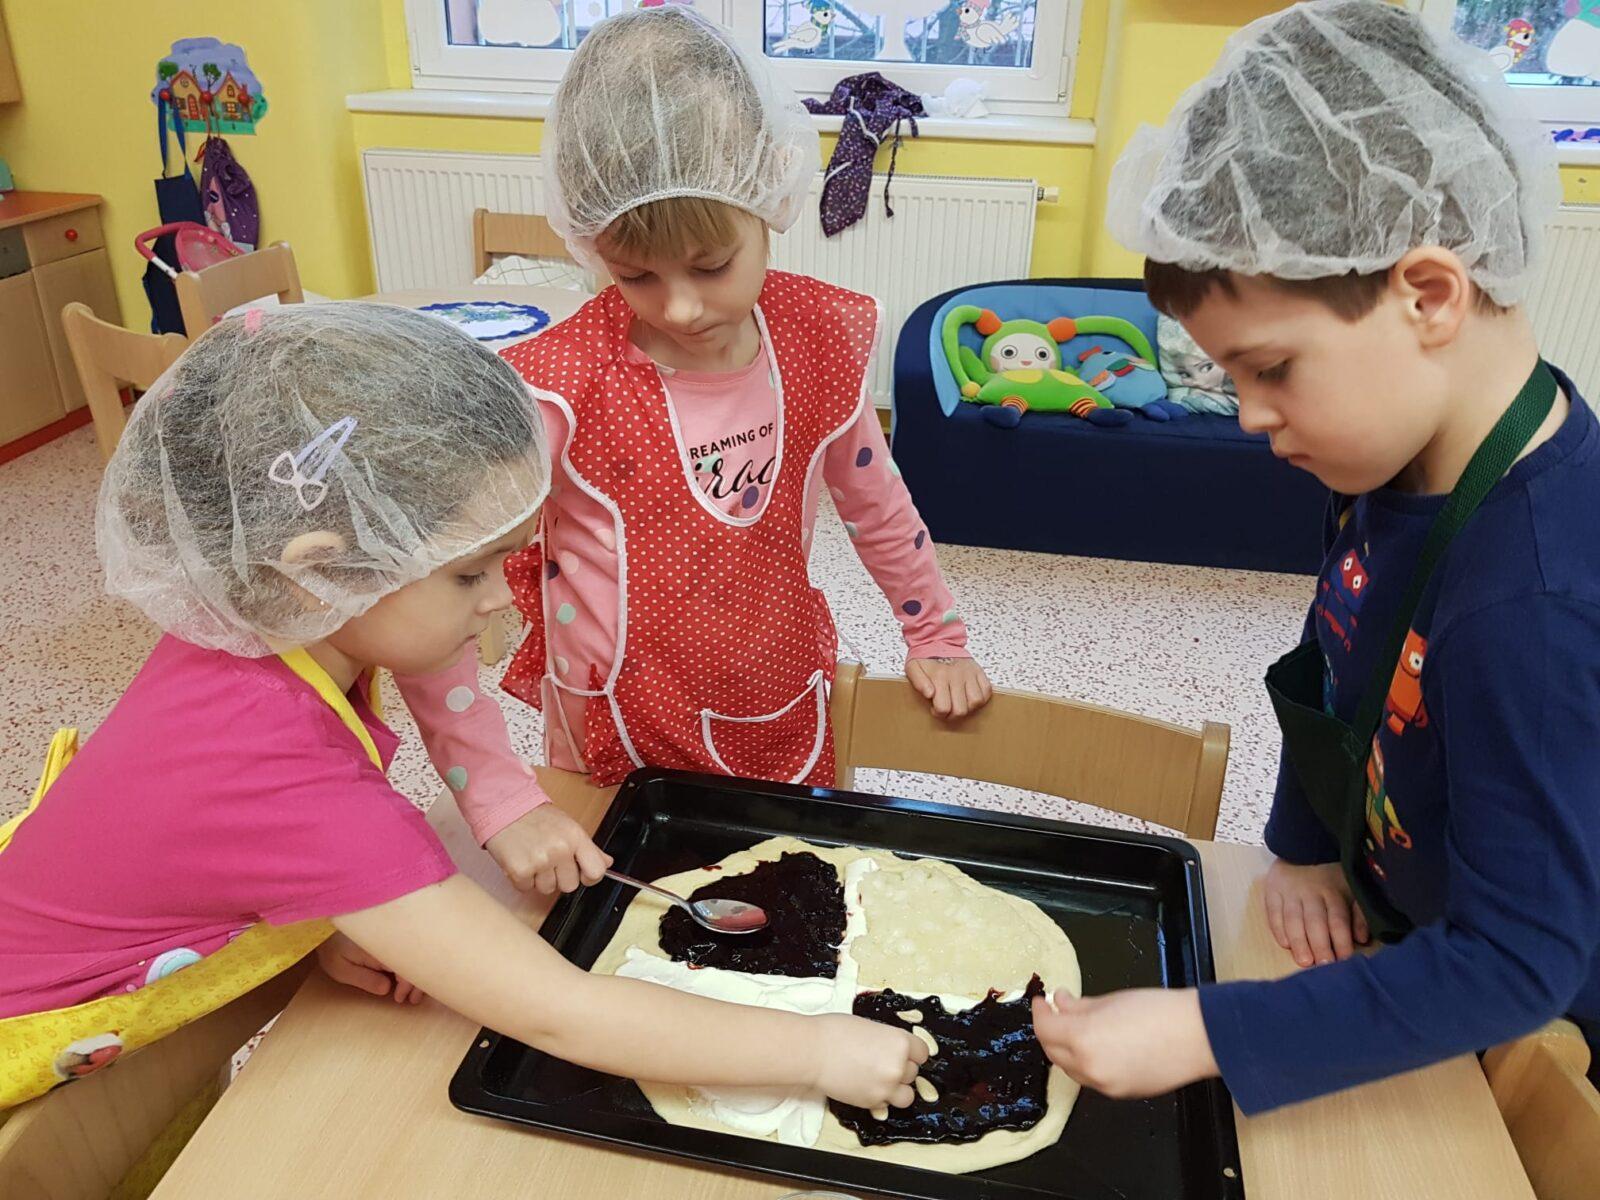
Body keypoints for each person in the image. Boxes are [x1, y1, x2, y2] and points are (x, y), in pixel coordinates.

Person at [0, 304, 926, 1109]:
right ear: (320, 568)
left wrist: (317, 926)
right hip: (49, 1049)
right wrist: (816, 1050)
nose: (503, 600)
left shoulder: (251, 616)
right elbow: (558, 1012)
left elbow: (198, 853)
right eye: (470, 573)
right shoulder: (286, 779)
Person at [1031, 0, 1600, 1111]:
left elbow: (1520, 964)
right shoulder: (1389, 461)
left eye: (1272, 370)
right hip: (1404, 926)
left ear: (1427, 295)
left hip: (1519, 1033)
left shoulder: (1532, 604)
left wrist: (1210, 1029)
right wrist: (1302, 845)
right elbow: (1342, 655)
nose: (1250, 417)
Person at [478, 6, 992, 812]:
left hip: (768, 678)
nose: (681, 307)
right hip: (609, 714)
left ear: (768, 198)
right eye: (635, 276)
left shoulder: (814, 343)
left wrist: (935, 635)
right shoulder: (563, 380)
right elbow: (468, 541)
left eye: (712, 264)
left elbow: (878, 506)